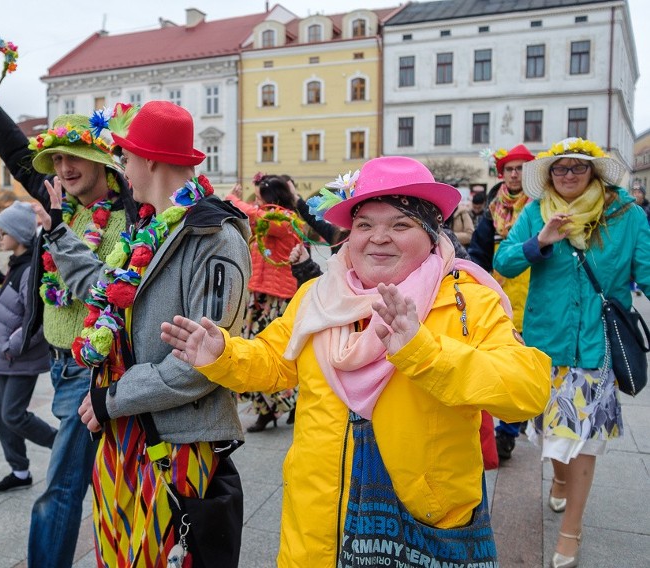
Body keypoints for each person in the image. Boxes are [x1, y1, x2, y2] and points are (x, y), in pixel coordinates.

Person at [161, 155, 550, 568]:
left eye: (400, 225)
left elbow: (527, 390)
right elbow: (276, 360)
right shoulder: (321, 296)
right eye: (364, 225)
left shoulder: (467, 300)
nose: (377, 238)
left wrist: (423, 351)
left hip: (423, 526)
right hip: (317, 525)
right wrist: (222, 353)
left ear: (432, 235)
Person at [42, 100, 251, 568]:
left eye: (126, 158)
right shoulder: (151, 227)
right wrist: (58, 233)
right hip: (124, 435)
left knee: (162, 557)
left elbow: (202, 364)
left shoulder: (214, 237)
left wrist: (111, 398)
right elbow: (104, 287)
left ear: (151, 159)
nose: (123, 171)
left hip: (173, 443)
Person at [0, 72, 138, 568]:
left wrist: (62, 233)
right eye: (57, 159)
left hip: (95, 371)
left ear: (99, 161)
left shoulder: (128, 216)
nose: (62, 168)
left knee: (61, 489)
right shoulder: (59, 203)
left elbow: (108, 292)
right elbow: (22, 158)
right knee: (90, 481)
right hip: (60, 363)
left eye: (73, 157)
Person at [493, 137, 646, 568]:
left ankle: (570, 532)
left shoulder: (626, 216)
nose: (569, 175)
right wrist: (540, 241)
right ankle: (558, 481)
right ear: (550, 176)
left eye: (578, 167)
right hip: (546, 343)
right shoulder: (534, 213)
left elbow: (647, 273)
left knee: (583, 440)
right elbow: (504, 264)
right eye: (561, 169)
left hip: (597, 347)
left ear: (593, 172)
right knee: (548, 430)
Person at [468, 143, 536, 461]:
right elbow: (479, 254)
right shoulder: (494, 210)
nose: (513, 174)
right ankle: (508, 428)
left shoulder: (539, 209)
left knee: (524, 368)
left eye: (520, 168)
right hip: (500, 298)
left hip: (535, 300)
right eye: (509, 169)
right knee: (504, 367)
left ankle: (508, 432)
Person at [0, 201, 57, 494]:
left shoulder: (30, 269)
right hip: (5, 356)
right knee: (0, 416)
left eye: (3, 231)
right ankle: (19, 471)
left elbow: (38, 318)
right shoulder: (15, 266)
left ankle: (62, 443)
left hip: (19, 356)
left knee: (13, 415)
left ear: (18, 233)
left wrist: (12, 346)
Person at [226, 175, 303, 431]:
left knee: (273, 350)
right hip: (259, 293)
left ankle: (283, 402)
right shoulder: (270, 216)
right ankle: (270, 408)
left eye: (259, 197)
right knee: (257, 349)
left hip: (275, 296)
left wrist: (232, 198)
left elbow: (254, 216)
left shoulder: (283, 219)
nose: (256, 202)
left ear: (272, 198)